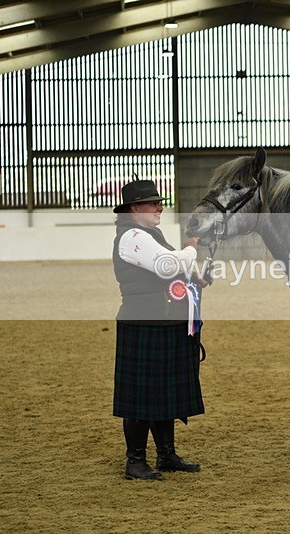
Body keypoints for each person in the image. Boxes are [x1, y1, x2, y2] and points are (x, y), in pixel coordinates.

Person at [111, 179, 207, 481]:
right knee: (141, 396)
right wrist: (190, 250)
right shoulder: (131, 237)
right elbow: (166, 265)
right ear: (134, 208)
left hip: (164, 321)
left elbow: (173, 271)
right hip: (144, 323)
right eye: (153, 203)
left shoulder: (151, 234)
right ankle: (135, 461)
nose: (159, 207)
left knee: (164, 393)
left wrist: (195, 277)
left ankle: (166, 454)